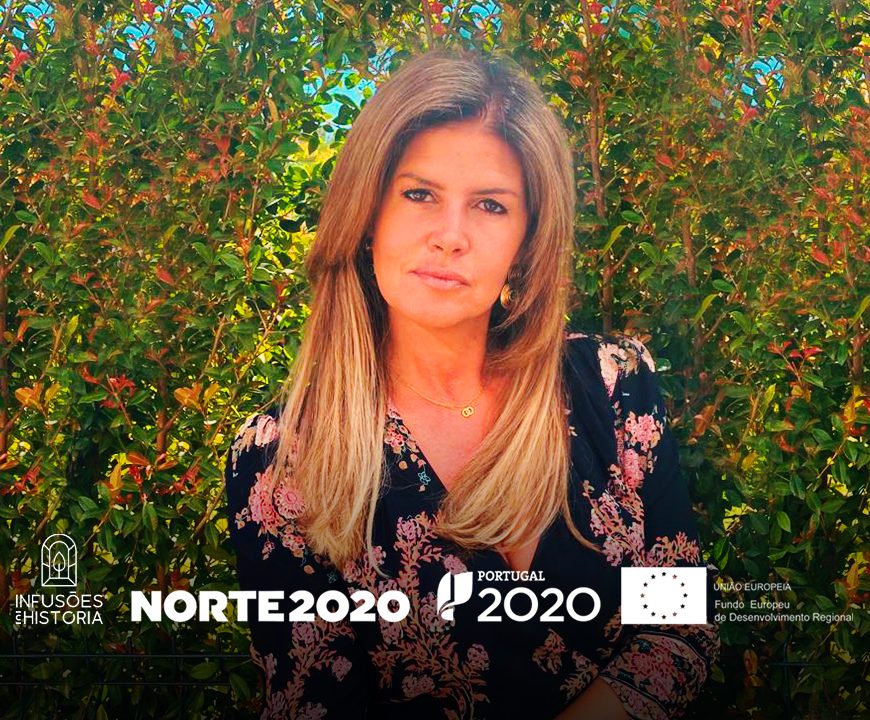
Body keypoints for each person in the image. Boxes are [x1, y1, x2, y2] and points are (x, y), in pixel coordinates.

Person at [224, 48, 720, 720]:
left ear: (527, 240)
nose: (450, 236)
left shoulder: (613, 386)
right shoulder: (281, 457)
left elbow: (679, 627)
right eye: (419, 194)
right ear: (368, 214)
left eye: (489, 205)